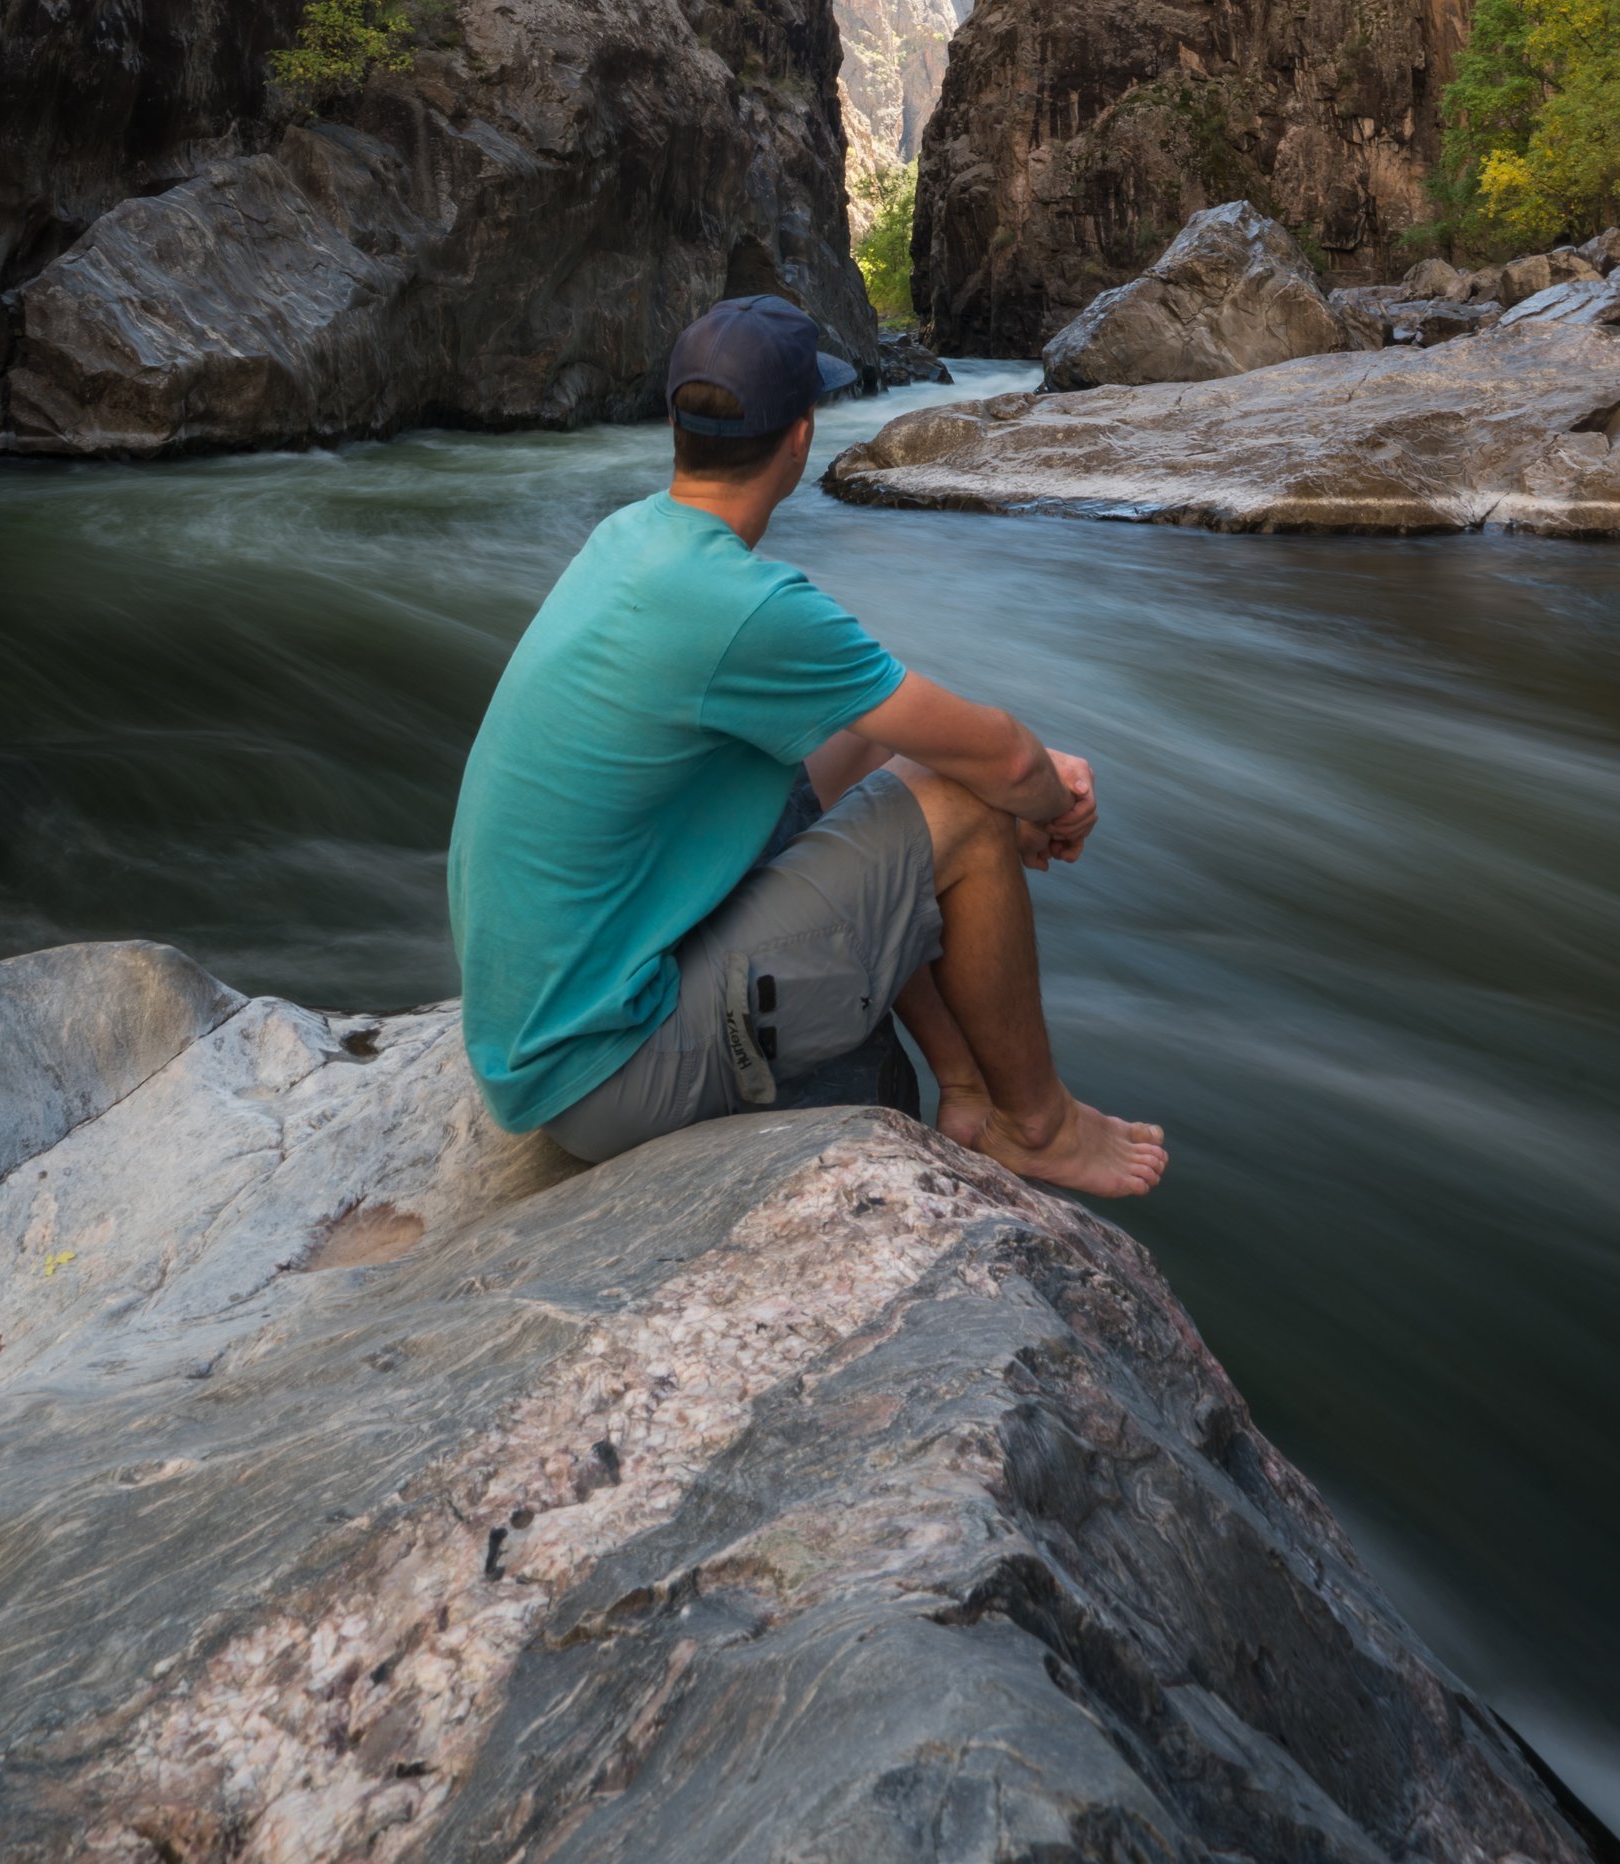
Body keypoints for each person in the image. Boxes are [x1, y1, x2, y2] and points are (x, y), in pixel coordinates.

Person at [447, 290, 1167, 1197]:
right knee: (972, 811)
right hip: (608, 1071)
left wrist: (1014, 784)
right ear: (799, 440)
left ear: (676, 426)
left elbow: (903, 740)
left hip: (541, 1030)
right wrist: (1054, 803)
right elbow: (1009, 762)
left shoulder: (629, 540)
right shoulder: (744, 607)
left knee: (884, 755)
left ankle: (967, 1089)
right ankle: (1041, 1125)